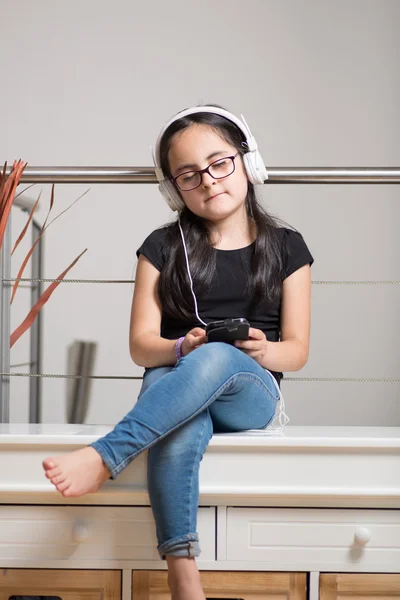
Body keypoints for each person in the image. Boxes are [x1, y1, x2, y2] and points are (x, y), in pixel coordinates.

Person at [42, 104, 314, 600]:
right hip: (179, 376)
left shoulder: (288, 247)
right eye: (189, 175)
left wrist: (261, 349)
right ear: (174, 190)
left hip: (251, 391)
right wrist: (178, 344)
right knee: (186, 395)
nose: (208, 181)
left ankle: (106, 455)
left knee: (214, 356)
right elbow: (140, 347)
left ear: (247, 163)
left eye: (220, 163)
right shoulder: (161, 247)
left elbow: (297, 352)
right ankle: (182, 573)